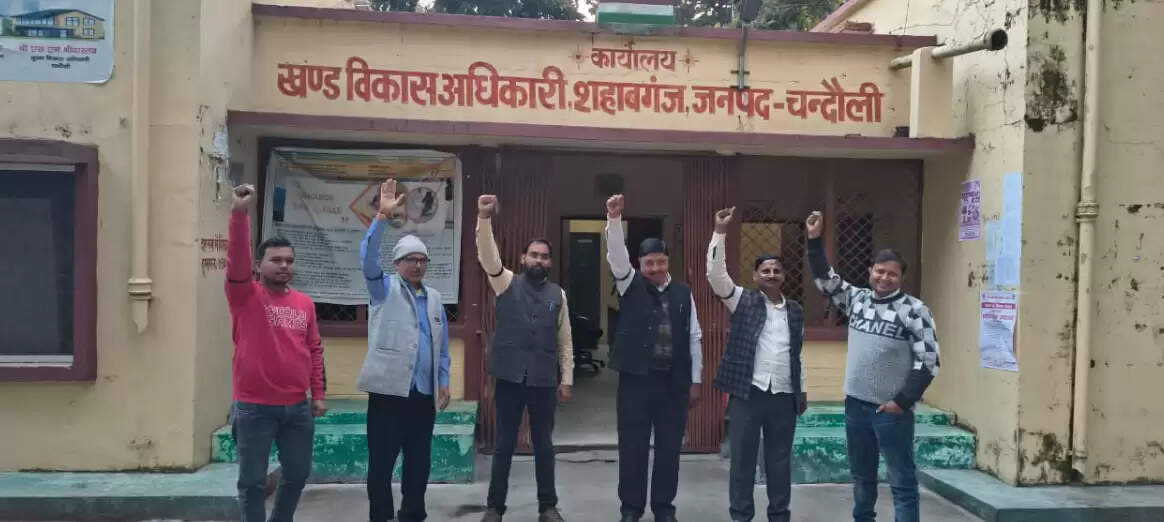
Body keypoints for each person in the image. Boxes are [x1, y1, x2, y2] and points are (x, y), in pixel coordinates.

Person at [804, 210, 941, 522]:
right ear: (870, 271)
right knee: (862, 478)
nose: (884, 278)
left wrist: (901, 402)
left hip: (890, 412)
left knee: (901, 480)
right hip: (855, 407)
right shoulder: (859, 300)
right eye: (879, 272)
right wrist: (814, 240)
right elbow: (826, 281)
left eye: (892, 274)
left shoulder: (915, 311)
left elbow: (928, 362)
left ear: (901, 277)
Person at [224, 184, 327, 522]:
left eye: (289, 261)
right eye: (276, 260)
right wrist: (239, 214)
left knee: (297, 475)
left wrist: (318, 393)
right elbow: (236, 263)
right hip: (254, 407)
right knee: (252, 482)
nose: (284, 266)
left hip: (296, 408)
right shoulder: (245, 296)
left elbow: (313, 348)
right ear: (259, 265)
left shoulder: (304, 303)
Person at [604, 194, 702, 522]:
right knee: (632, 449)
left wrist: (695, 380)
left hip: (672, 384)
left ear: (667, 261)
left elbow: (694, 337)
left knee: (669, 451)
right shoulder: (630, 283)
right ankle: (631, 510)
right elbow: (617, 256)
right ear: (640, 265)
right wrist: (614, 220)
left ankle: (664, 509)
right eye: (649, 264)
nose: (655, 269)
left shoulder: (683, 294)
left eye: (660, 262)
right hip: (636, 383)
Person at [357, 179, 451, 522]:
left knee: (418, 463)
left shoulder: (436, 298)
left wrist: (442, 381)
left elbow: (441, 348)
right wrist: (381, 218)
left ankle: (413, 514)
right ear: (397, 264)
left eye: (422, 259)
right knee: (381, 465)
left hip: (421, 397)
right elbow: (367, 260)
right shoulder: (383, 290)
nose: (417, 265)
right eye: (410, 259)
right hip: (387, 394)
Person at [706, 207, 807, 522]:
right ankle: (741, 516)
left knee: (779, 462)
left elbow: (796, 353)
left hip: (784, 397)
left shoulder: (794, 310)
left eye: (777, 271)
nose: (772, 275)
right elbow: (715, 274)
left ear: (784, 276)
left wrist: (801, 391)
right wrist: (720, 231)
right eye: (765, 270)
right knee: (743, 461)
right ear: (755, 275)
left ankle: (779, 515)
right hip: (747, 394)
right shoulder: (741, 300)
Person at [476, 194, 573, 522]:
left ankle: (548, 506)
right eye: (534, 255)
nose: (539, 260)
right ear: (522, 258)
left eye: (545, 257)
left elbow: (565, 340)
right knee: (504, 444)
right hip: (509, 377)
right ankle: (495, 507)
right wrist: (484, 219)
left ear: (550, 262)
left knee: (544, 445)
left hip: (544, 379)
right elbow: (488, 257)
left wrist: (568, 379)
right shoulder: (505, 283)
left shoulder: (558, 295)